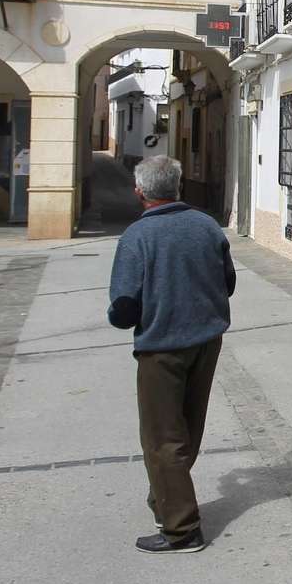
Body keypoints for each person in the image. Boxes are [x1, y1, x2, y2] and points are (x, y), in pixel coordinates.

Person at [107, 155, 235, 554]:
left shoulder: (137, 237)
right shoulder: (207, 225)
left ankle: (181, 530)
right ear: (178, 187)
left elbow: (123, 309)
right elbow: (228, 282)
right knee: (188, 427)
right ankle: (164, 498)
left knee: (162, 438)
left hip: (162, 346)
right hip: (206, 340)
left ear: (139, 192)